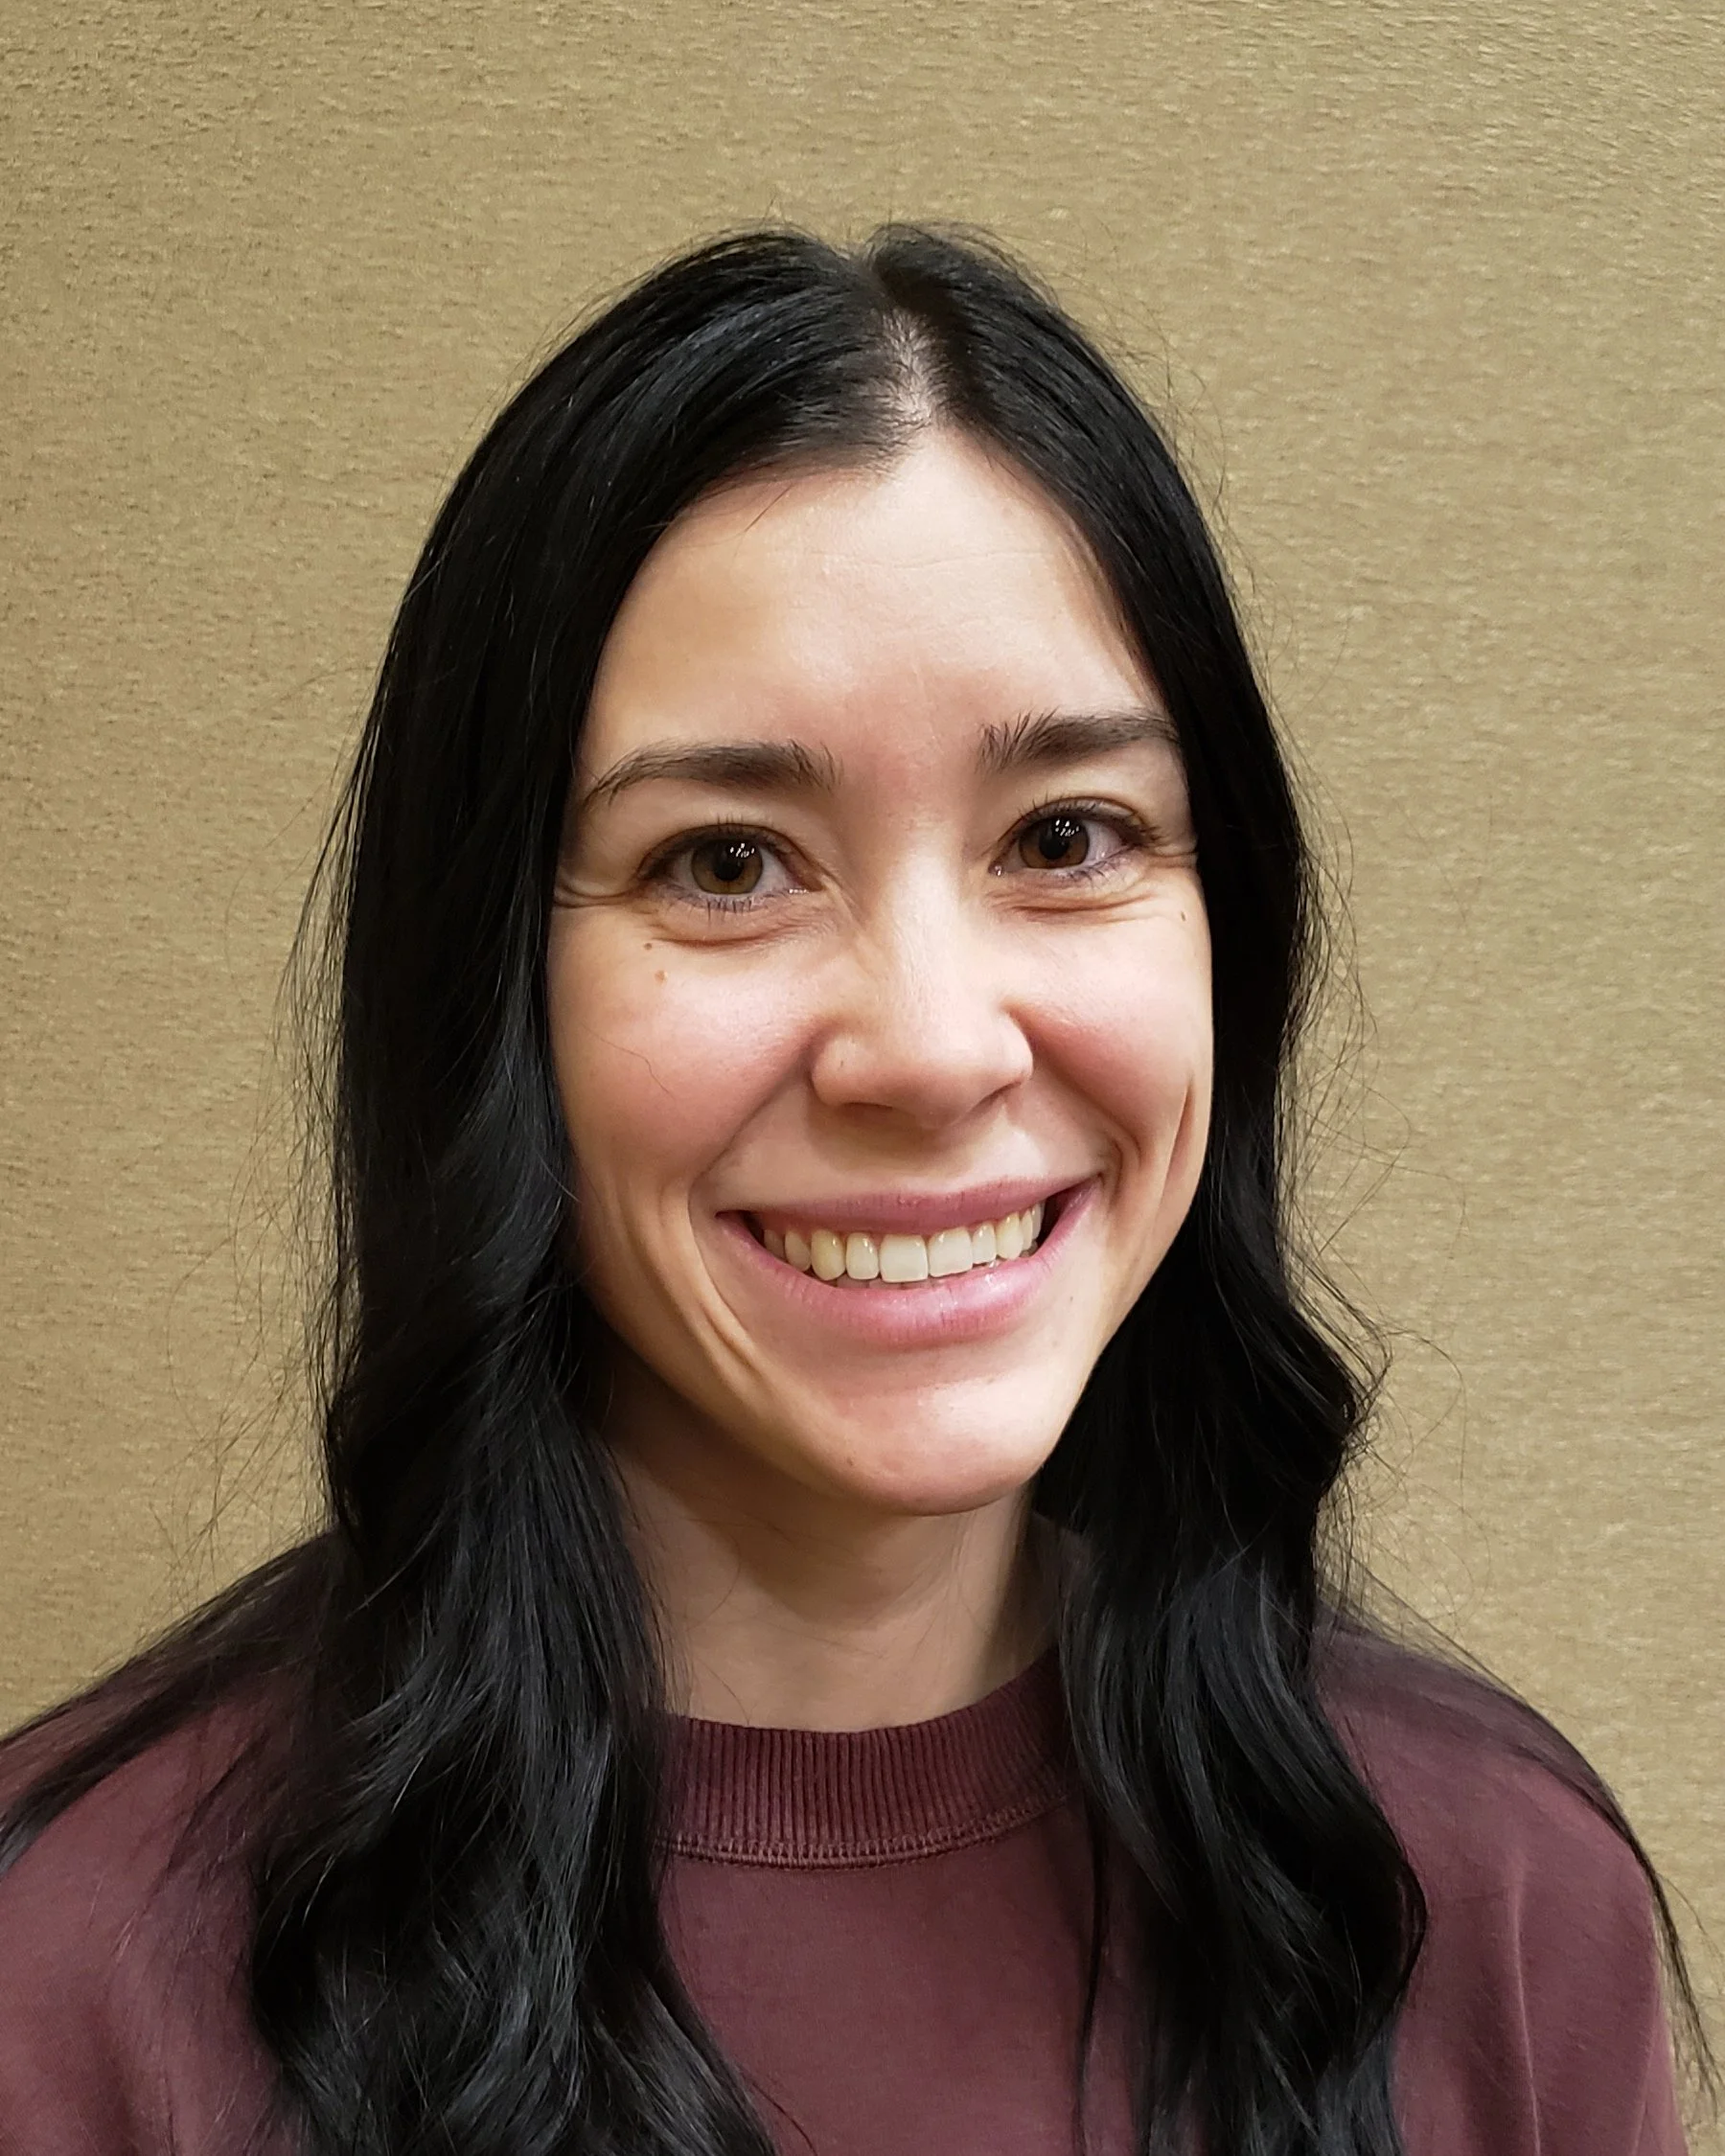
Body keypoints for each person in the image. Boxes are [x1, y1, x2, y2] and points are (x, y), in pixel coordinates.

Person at [0, 226, 1706, 2156]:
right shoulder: (65, 1987)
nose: (931, 1046)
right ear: (489, 994)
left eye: (1069, 837)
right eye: (725, 862)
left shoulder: (1488, 1905)